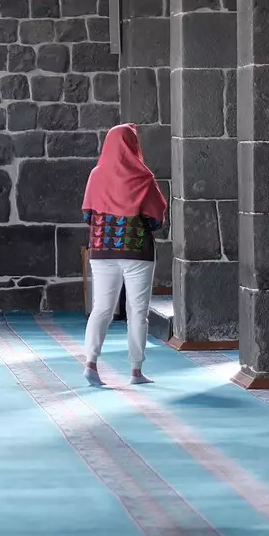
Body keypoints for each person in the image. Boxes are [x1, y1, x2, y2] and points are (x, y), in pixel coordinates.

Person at [80, 123, 167, 387]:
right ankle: (136, 372)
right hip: (137, 252)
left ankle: (90, 364)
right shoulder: (143, 177)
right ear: (132, 145)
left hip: (102, 250)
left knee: (101, 309)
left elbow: (87, 215)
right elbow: (156, 219)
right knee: (137, 312)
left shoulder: (96, 175)